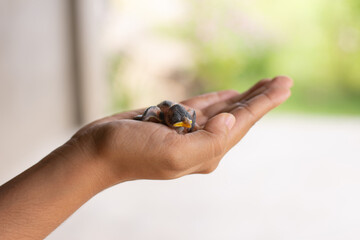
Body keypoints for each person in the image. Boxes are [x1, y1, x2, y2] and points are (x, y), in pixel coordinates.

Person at [0, 76, 293, 239]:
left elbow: (183, 120)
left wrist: (93, 153)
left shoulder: (184, 119)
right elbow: (160, 114)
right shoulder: (165, 115)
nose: (184, 125)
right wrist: (100, 153)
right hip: (163, 111)